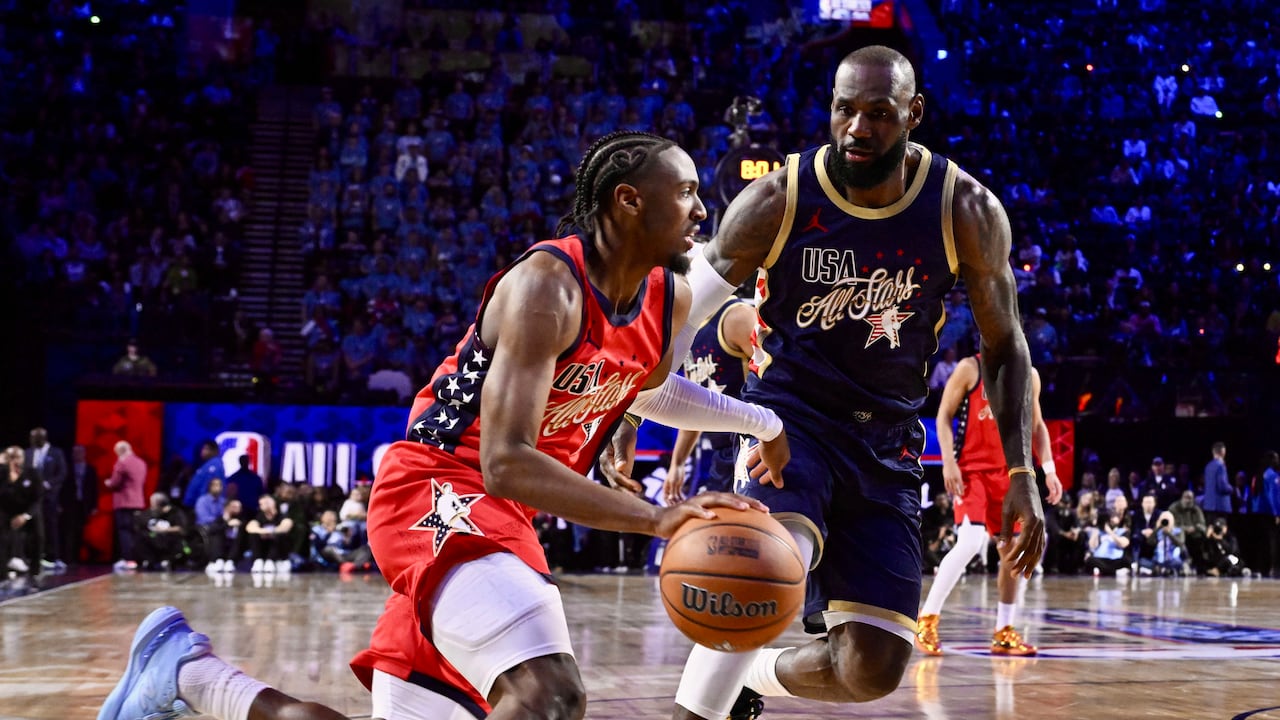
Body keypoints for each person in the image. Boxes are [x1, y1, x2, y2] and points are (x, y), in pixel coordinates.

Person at [98, 130, 791, 720]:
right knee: (549, 693)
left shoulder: (665, 297)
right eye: (689, 191)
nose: (704, 208)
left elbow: (648, 392)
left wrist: (757, 421)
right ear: (629, 200)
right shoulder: (546, 287)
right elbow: (506, 462)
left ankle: (189, 675)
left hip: (504, 515)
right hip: (434, 489)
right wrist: (655, 518)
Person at [662, 46, 1045, 720]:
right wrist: (629, 402)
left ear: (913, 114)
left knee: (870, 668)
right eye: (845, 110)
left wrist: (1021, 470)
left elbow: (1004, 348)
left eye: (879, 114)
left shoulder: (964, 209)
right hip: (791, 424)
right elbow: (682, 310)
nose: (858, 129)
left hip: (888, 443)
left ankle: (752, 676)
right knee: (758, 567)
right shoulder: (777, 199)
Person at [914, 356, 1062, 656]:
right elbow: (943, 416)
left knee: (1014, 551)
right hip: (972, 472)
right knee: (970, 542)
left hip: (1009, 473)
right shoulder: (971, 368)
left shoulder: (1028, 375)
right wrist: (949, 462)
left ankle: (1004, 631)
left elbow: (1037, 426)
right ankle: (927, 619)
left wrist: (1050, 470)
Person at [663, 293, 757, 504]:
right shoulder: (688, 329)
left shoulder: (737, 317)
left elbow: (784, 379)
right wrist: (677, 463)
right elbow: (695, 404)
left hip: (752, 449)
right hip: (723, 456)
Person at [26, 427, 67, 571]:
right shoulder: (29, 453)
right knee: (31, 526)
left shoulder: (56, 453)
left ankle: (53, 557)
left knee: (50, 527)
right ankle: (33, 557)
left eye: (35, 438)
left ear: (42, 438)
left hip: (50, 497)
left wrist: (48, 484)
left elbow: (62, 473)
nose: (32, 441)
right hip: (31, 497)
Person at [104, 440, 147, 572]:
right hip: (138, 502)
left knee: (124, 531)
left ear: (121, 451)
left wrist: (108, 483)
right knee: (135, 531)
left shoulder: (122, 462)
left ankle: (128, 559)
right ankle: (138, 558)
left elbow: (115, 482)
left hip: (124, 502)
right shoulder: (141, 462)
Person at [0, 447, 43, 575]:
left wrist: (25, 516)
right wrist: (11, 480)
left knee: (38, 532)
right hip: (7, 511)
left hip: (27, 512)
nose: (15, 461)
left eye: (17, 457)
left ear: (23, 458)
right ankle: (3, 569)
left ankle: (35, 569)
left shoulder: (33, 473)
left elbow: (38, 499)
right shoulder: (2, 473)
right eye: (11, 458)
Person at [62, 445, 99, 564]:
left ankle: (77, 557)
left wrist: (94, 506)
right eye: (75, 452)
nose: (76, 455)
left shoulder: (90, 469)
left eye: (79, 452)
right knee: (68, 531)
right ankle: (68, 558)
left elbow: (94, 489)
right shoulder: (67, 468)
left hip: (84, 504)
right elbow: (63, 488)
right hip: (70, 503)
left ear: (84, 454)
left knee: (80, 531)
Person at [184, 440, 226, 510]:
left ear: (214, 451)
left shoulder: (214, 465)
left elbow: (209, 487)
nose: (202, 452)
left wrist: (201, 504)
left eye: (205, 449)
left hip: (203, 506)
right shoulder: (207, 464)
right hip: (197, 504)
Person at [224, 454, 263, 518]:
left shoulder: (256, 478)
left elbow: (261, 493)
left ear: (249, 462)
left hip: (253, 510)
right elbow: (228, 494)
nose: (244, 462)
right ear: (240, 462)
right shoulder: (233, 478)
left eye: (246, 461)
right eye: (243, 461)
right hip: (237, 511)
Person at [1201, 441, 1232, 518]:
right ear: (1223, 452)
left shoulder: (1208, 466)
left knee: (1210, 528)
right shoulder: (1221, 465)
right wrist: (1231, 489)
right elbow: (1222, 487)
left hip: (1208, 505)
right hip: (1220, 506)